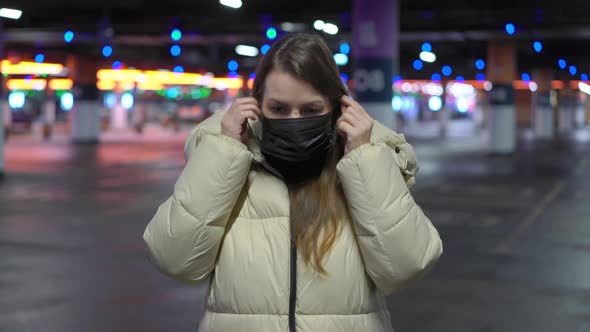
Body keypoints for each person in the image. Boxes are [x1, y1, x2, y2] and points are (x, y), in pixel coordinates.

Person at [143, 33, 442, 332]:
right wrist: (223, 152)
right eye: (279, 109)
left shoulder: (363, 168)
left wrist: (365, 158)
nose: (294, 119)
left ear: (337, 108)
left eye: (311, 110)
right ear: (257, 105)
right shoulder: (229, 165)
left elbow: (405, 267)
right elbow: (175, 260)